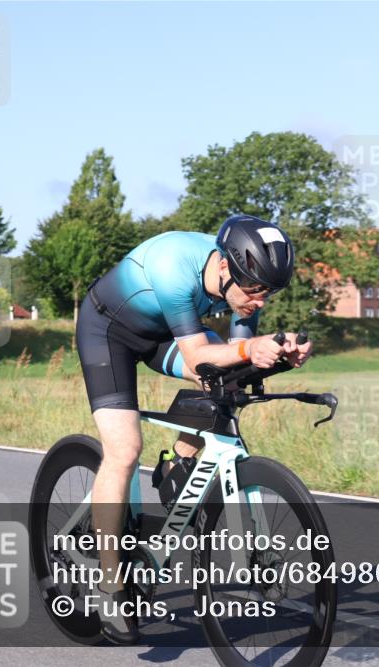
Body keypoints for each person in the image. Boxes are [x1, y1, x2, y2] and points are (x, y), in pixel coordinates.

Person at [75, 214, 311, 644]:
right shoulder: (172, 264)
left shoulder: (244, 276)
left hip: (162, 332)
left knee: (231, 375)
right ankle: (109, 585)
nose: (259, 301)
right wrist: (247, 347)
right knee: (125, 448)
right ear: (225, 268)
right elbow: (201, 351)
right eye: (255, 290)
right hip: (108, 331)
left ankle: (179, 462)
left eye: (269, 293)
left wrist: (280, 351)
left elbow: (236, 356)